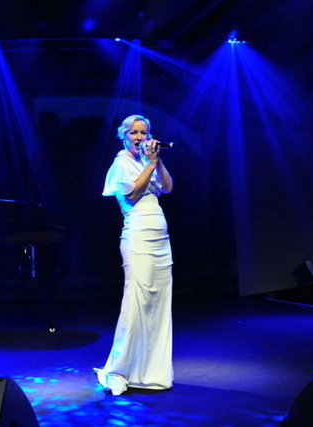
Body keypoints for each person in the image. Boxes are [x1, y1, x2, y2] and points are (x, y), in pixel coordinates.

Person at [95, 114, 174, 395]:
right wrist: (150, 165)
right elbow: (130, 195)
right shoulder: (121, 163)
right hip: (138, 236)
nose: (140, 138)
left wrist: (156, 161)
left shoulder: (147, 161)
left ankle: (151, 371)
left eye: (144, 133)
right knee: (136, 303)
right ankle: (120, 369)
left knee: (158, 303)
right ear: (124, 135)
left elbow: (167, 187)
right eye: (134, 133)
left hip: (160, 239)